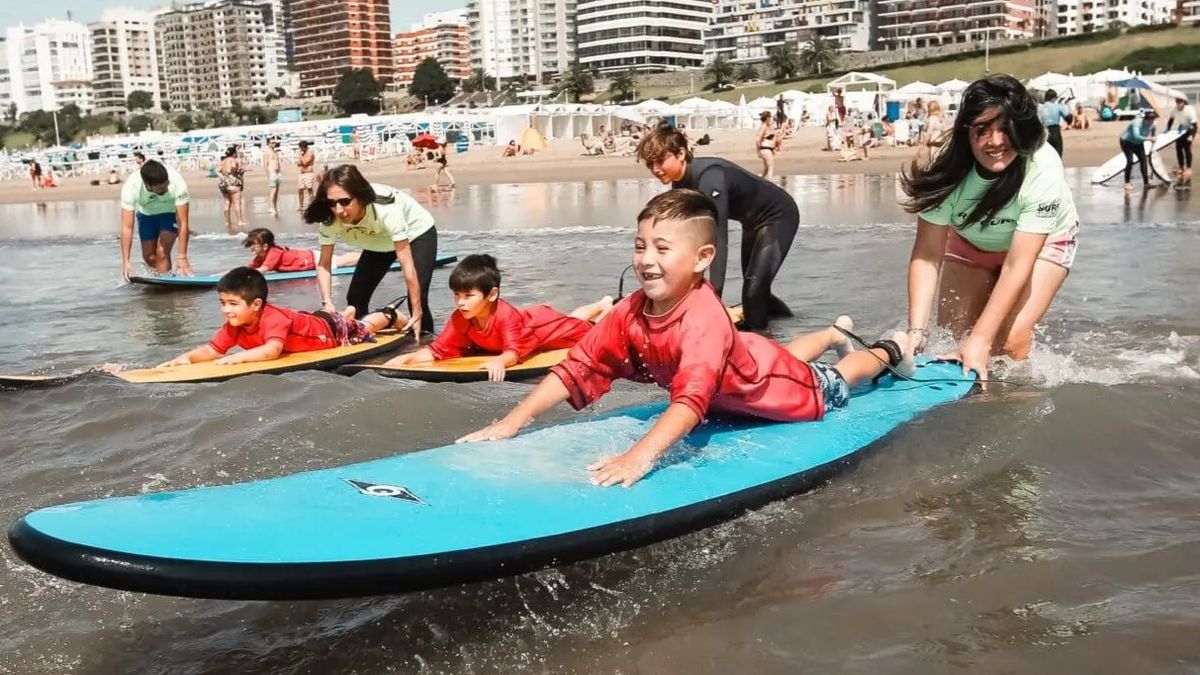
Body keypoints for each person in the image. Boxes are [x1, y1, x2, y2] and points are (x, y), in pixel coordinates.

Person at [456, 190, 915, 488]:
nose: (646, 259)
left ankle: (890, 349)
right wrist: (511, 422)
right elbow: (578, 365)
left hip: (791, 394)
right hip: (751, 363)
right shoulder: (629, 311)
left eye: (662, 248)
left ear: (702, 258)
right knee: (777, 358)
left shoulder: (703, 321)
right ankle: (833, 331)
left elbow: (691, 399)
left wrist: (639, 457)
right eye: (640, 245)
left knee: (835, 379)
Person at [901, 75, 1080, 384]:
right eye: (982, 130)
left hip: (1045, 243)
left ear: (1021, 129)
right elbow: (928, 256)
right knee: (953, 336)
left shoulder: (1043, 168)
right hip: (972, 242)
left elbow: (1017, 265)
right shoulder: (945, 168)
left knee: (1009, 342)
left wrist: (982, 340)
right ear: (965, 132)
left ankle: (1013, 402)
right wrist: (916, 331)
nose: (995, 141)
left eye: (1005, 129)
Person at [637, 124, 798, 330]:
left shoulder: (710, 178)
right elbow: (688, 236)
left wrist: (713, 296)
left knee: (753, 289)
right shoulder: (680, 184)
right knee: (757, 290)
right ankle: (792, 324)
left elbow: (718, 240)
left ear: (681, 153)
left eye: (660, 161)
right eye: (650, 164)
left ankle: (759, 343)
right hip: (751, 223)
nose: (655, 169)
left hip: (778, 216)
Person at [383, 254, 613, 381]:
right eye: (456, 295)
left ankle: (604, 306)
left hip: (543, 327)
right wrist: (407, 359)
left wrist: (500, 361)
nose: (460, 302)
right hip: (531, 321)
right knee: (574, 318)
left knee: (584, 327)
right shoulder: (461, 317)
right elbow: (439, 350)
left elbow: (513, 352)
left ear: (491, 294)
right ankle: (602, 303)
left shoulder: (505, 316)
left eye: (468, 295)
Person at [158, 267, 406, 367]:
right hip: (309, 322)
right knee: (344, 319)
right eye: (222, 303)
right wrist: (184, 359)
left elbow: (271, 351)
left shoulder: (272, 319)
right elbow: (211, 350)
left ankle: (388, 313)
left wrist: (235, 359)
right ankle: (346, 311)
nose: (226, 310)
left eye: (232, 304)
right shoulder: (236, 324)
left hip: (329, 330)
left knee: (362, 328)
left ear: (256, 305)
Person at [305, 164, 439, 336]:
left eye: (345, 202)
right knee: (355, 299)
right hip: (379, 242)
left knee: (417, 301)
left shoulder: (386, 209)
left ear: (360, 196)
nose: (339, 210)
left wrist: (418, 310)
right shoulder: (330, 218)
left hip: (416, 233)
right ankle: (364, 334)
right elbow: (324, 264)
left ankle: (427, 339)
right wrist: (327, 302)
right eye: (332, 203)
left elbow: (407, 265)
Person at [119, 159, 192, 281]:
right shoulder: (131, 187)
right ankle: (167, 277)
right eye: (161, 189)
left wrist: (182, 256)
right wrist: (126, 261)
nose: (167, 189)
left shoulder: (177, 181)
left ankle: (165, 291)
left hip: (170, 213)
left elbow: (183, 222)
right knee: (149, 258)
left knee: (162, 252)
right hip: (146, 216)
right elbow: (127, 228)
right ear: (148, 186)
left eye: (166, 185)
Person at [243, 227, 360, 273]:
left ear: (265, 246)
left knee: (342, 261)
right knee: (340, 260)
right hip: (308, 259)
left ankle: (365, 256)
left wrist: (243, 276)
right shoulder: (260, 257)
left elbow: (263, 269)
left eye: (254, 245)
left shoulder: (274, 252)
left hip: (312, 259)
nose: (251, 248)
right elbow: (249, 268)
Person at [1119, 111, 1157, 192]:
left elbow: (1154, 131)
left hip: (1138, 144)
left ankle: (1146, 183)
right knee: (1130, 161)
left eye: (1152, 121)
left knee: (1143, 161)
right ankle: (1127, 183)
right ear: (1145, 120)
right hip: (1126, 142)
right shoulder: (1137, 123)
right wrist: (1149, 138)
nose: (1151, 123)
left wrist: (1153, 137)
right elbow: (1136, 136)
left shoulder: (1152, 124)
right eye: (1149, 121)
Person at [1166, 95, 1197, 183]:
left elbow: (1195, 125)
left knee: (1187, 149)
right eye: (1177, 102)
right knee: (1178, 148)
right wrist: (1168, 128)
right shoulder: (1175, 109)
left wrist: (1192, 136)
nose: (1178, 104)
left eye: (1180, 102)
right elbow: (1171, 119)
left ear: (1183, 102)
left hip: (1190, 129)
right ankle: (1181, 167)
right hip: (1182, 130)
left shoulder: (1189, 110)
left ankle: (1189, 168)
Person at [1037, 89, 1073, 157]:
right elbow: (1069, 119)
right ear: (1054, 98)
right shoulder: (1058, 107)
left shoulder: (1039, 109)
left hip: (1044, 134)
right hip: (1055, 132)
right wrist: (1068, 105)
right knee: (1058, 156)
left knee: (1046, 157)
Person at [217, 146, 246, 230]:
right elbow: (232, 168)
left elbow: (218, 170)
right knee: (237, 203)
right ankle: (240, 221)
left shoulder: (223, 161)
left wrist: (223, 176)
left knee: (227, 202)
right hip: (233, 182)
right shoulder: (232, 160)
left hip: (224, 183)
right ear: (234, 153)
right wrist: (236, 171)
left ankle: (227, 221)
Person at [755, 111, 777, 179]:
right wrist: (758, 151)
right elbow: (758, 139)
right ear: (767, 118)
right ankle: (769, 183)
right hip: (765, 149)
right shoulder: (764, 126)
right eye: (770, 117)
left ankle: (759, 180)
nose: (771, 118)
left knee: (766, 169)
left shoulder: (767, 126)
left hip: (767, 149)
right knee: (771, 167)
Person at [263, 137, 282, 216]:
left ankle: (275, 206)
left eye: (275, 143)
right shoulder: (266, 152)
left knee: (276, 190)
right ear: (268, 143)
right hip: (272, 172)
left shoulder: (275, 152)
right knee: (273, 190)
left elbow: (277, 162)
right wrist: (267, 174)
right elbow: (265, 164)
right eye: (272, 143)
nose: (274, 144)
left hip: (277, 172)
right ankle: (271, 207)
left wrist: (280, 169)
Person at [296, 140, 316, 211]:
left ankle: (312, 204)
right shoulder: (302, 153)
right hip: (302, 173)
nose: (301, 149)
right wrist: (300, 161)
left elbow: (305, 162)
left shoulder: (310, 153)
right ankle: (301, 206)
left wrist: (300, 155)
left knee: (309, 189)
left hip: (309, 173)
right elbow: (298, 163)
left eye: (302, 148)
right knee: (300, 189)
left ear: (305, 147)